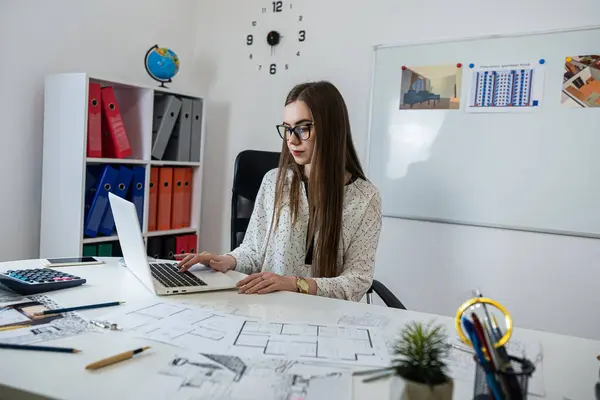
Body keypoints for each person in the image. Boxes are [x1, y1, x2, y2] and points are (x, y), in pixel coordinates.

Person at [177, 81, 382, 302]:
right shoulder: (274, 181)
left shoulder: (365, 198)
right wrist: (227, 260)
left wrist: (295, 284)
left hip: (326, 317)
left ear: (331, 129)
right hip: (267, 308)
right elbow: (254, 252)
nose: (292, 140)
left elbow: (357, 280)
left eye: (303, 128)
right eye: (287, 128)